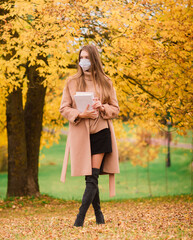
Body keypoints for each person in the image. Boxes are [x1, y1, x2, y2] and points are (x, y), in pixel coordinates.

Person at [59, 44, 120, 227]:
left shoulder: (106, 81)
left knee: (93, 177)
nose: (82, 61)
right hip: (82, 137)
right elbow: (64, 108)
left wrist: (102, 107)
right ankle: (99, 215)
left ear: (94, 59)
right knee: (90, 178)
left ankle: (79, 219)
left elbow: (115, 109)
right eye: (80, 57)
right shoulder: (71, 82)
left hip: (101, 132)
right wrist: (81, 114)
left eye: (86, 57)